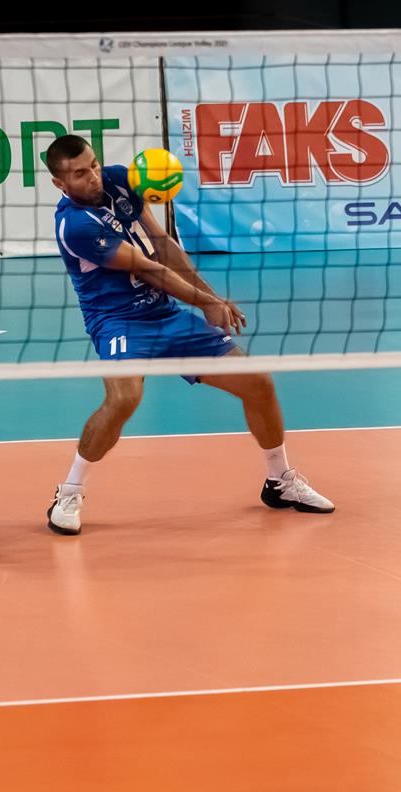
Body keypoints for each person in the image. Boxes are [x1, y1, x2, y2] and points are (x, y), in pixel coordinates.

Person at [44, 134, 334, 535]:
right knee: (124, 399)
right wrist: (205, 303)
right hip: (117, 321)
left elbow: (162, 246)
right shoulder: (75, 225)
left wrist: (213, 297)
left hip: (164, 313)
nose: (93, 175)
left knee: (258, 382)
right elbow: (148, 268)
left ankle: (279, 480)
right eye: (80, 173)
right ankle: (70, 492)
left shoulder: (119, 180)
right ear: (60, 184)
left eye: (93, 164)